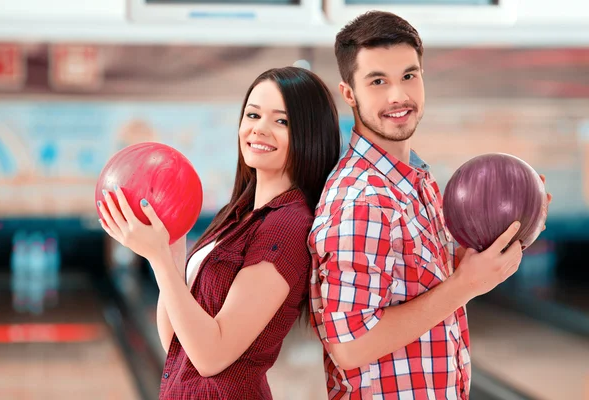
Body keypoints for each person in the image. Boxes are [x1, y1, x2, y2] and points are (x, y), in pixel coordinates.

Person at [308, 11, 552, 400]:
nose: (398, 96)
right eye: (377, 81)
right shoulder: (363, 200)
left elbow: (435, 283)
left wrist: (517, 229)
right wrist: (465, 286)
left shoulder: (416, 182)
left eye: (409, 75)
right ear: (349, 94)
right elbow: (350, 346)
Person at [97, 66, 341, 399]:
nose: (259, 129)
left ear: (310, 134)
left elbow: (211, 356)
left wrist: (158, 259)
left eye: (281, 121)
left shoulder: (286, 226)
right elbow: (177, 345)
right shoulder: (237, 215)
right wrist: (171, 249)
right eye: (252, 115)